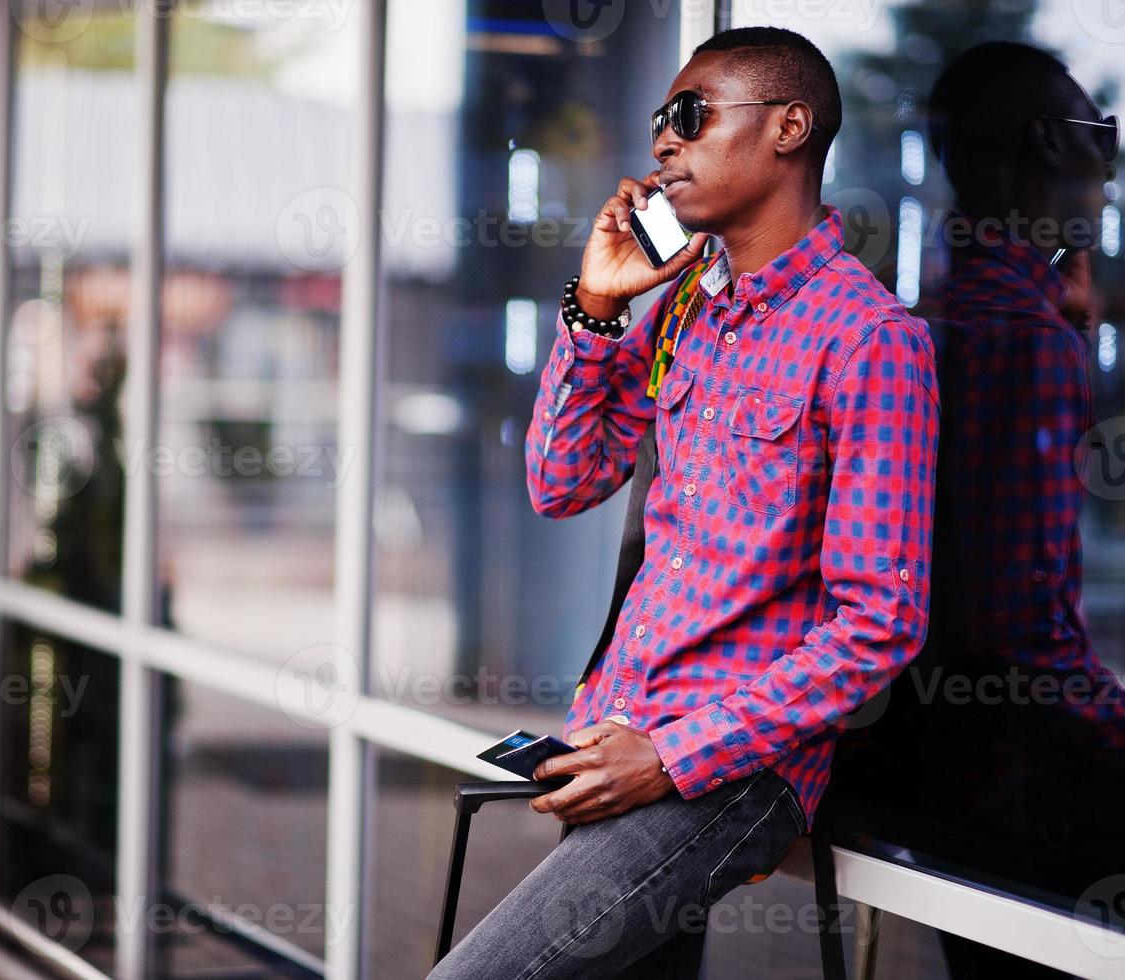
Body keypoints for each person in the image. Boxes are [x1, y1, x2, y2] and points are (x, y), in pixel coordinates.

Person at [428, 26, 939, 979]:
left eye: (690, 116)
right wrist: (593, 314)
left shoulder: (870, 341)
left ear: (788, 127)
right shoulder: (685, 309)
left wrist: (670, 757)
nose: (663, 142)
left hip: (722, 772)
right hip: (613, 740)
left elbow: (879, 622)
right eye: (661, 121)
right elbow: (561, 482)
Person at [829, 41, 1124, 980]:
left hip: (918, 751)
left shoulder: (927, 316)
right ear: (1047, 141)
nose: (1109, 167)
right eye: (1102, 137)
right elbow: (1022, 624)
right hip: (1007, 768)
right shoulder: (1023, 340)